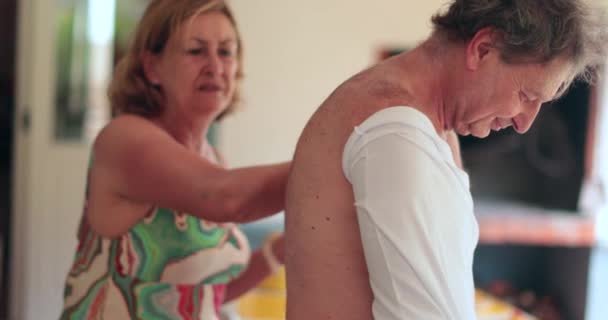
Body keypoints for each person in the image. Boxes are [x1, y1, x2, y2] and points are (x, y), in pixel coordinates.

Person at [285, 0, 608, 319]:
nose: (524, 124)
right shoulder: (396, 131)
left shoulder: (428, 125)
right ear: (483, 49)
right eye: (526, 96)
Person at [60, 1, 288, 319]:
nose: (214, 66)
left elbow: (209, 288)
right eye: (196, 51)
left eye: (225, 51)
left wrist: (281, 251)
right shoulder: (123, 139)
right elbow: (226, 197)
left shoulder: (212, 159)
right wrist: (332, 162)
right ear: (152, 66)